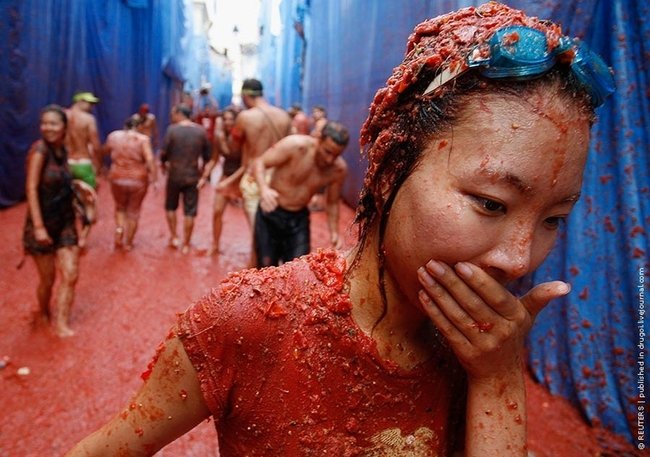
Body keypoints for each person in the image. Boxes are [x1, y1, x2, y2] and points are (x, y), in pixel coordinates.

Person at [65, 2, 614, 455]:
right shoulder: (248, 324)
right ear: (390, 168)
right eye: (492, 204)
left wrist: (497, 379)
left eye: (553, 220)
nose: (519, 260)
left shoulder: (480, 350)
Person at [253, 121, 349, 267]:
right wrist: (264, 189)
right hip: (271, 213)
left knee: (298, 270)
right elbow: (260, 162)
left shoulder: (338, 169)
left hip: (298, 219)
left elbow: (332, 202)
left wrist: (334, 232)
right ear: (318, 140)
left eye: (336, 155)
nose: (330, 160)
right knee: (265, 268)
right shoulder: (295, 146)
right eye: (327, 152)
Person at [23, 105, 81, 337]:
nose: (47, 128)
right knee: (48, 279)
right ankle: (43, 311)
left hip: (65, 221)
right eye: (44, 123)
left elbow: (62, 182)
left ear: (64, 127)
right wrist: (38, 227)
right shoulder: (39, 150)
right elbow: (31, 188)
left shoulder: (63, 150)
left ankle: (61, 322)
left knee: (71, 274)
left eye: (53, 123)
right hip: (42, 223)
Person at [217, 78, 292, 228]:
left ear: (245, 96)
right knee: (274, 231)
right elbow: (288, 147)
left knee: (257, 235)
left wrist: (221, 134)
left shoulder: (245, 118)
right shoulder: (284, 116)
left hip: (254, 179)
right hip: (278, 178)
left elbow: (233, 150)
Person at [160, 103, 211, 254]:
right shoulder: (201, 131)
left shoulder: (172, 130)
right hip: (192, 176)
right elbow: (207, 156)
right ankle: (186, 243)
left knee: (171, 206)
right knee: (190, 211)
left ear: (179, 114)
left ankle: (174, 236)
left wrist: (163, 165)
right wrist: (203, 175)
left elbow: (164, 153)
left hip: (174, 175)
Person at [103, 116, 157, 251]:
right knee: (133, 210)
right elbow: (150, 159)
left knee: (120, 207)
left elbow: (104, 151)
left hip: (117, 177)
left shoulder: (113, 136)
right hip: (137, 179)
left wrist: (101, 168)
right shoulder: (143, 140)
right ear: (139, 127)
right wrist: (154, 178)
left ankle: (120, 228)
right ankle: (128, 243)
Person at [197, 105, 242, 255]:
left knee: (253, 217)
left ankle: (256, 253)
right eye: (226, 119)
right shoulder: (219, 137)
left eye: (231, 119)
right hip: (225, 177)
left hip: (242, 178)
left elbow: (249, 163)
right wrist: (204, 177)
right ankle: (215, 245)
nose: (228, 122)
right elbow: (213, 160)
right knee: (217, 211)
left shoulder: (244, 137)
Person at [65, 91, 102, 249]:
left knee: (65, 201)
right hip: (83, 163)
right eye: (89, 103)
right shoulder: (88, 119)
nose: (91, 106)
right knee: (89, 203)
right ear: (78, 101)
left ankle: (67, 235)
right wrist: (98, 167)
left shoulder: (62, 115)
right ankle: (82, 238)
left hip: (65, 164)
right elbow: (95, 144)